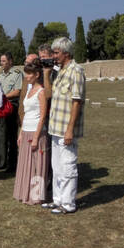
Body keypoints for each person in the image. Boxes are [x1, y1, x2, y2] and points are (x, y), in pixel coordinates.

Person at [47, 36, 85, 215]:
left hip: (66, 129)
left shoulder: (76, 71)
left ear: (66, 53)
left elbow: (76, 102)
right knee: (57, 167)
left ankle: (68, 203)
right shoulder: (60, 70)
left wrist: (70, 129)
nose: (54, 56)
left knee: (68, 166)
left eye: (56, 52)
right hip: (55, 127)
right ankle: (58, 200)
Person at [13, 61, 50, 205]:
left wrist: (36, 138)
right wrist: (21, 133)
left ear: (37, 75)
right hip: (26, 130)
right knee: (25, 164)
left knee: (37, 165)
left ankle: (36, 196)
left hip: (37, 133)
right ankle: (25, 193)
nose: (27, 76)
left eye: (29, 74)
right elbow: (27, 113)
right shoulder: (29, 91)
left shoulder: (41, 92)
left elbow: (42, 116)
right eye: (26, 73)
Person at [0, 52, 23, 175]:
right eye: (1, 61)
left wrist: (3, 97)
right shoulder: (0, 75)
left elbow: (17, 91)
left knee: (12, 136)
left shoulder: (17, 74)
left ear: (10, 61)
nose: (1, 63)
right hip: (1, 107)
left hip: (11, 106)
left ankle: (12, 164)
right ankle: (2, 161)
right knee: (2, 135)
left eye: (3, 61)